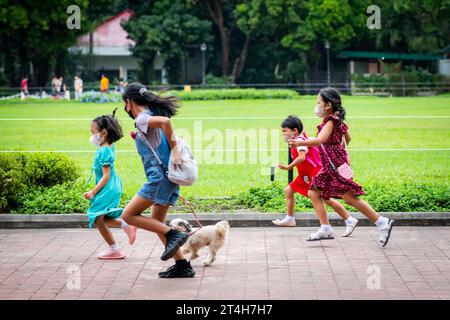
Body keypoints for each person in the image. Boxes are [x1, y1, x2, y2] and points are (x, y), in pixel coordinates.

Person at [289, 88, 394, 247]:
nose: (316, 106)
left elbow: (319, 140)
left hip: (336, 166)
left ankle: (381, 222)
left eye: (319, 102)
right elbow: (347, 137)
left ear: (328, 105)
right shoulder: (335, 120)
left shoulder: (331, 121)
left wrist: (300, 142)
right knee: (314, 192)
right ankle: (325, 228)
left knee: (349, 198)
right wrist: (337, 151)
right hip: (334, 165)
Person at [121, 82, 195, 278]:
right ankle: (182, 266)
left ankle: (175, 234)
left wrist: (175, 149)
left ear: (129, 103)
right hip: (169, 178)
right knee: (156, 222)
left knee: (128, 215)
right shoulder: (150, 115)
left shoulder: (142, 119)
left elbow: (166, 123)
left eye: (124, 104)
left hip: (158, 179)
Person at [274, 115, 359, 237]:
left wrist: (288, 167)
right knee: (289, 190)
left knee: (326, 199)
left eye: (285, 131)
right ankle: (290, 218)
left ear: (295, 131)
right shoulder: (301, 139)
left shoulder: (300, 142)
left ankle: (349, 219)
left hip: (312, 175)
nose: (283, 134)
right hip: (304, 175)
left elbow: (302, 157)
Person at [84, 108, 137, 259]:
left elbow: (106, 176)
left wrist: (93, 192)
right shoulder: (107, 147)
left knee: (96, 217)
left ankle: (115, 248)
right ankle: (126, 226)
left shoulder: (104, 151)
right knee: (100, 218)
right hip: (111, 186)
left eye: (92, 131)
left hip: (107, 187)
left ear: (104, 133)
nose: (91, 135)